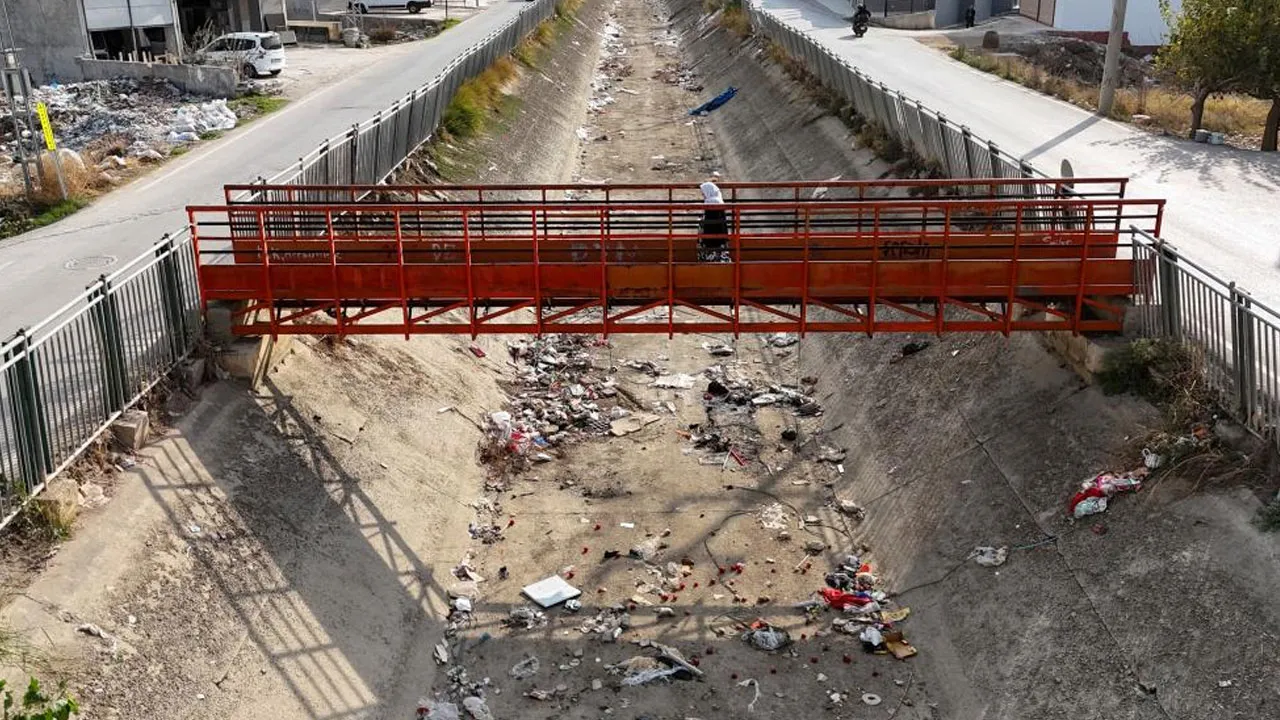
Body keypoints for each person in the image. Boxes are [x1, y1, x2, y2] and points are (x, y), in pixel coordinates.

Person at [699, 180, 729, 262]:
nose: (703, 195)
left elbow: (709, 225)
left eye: (703, 193)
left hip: (712, 241)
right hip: (720, 241)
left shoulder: (711, 202)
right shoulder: (718, 201)